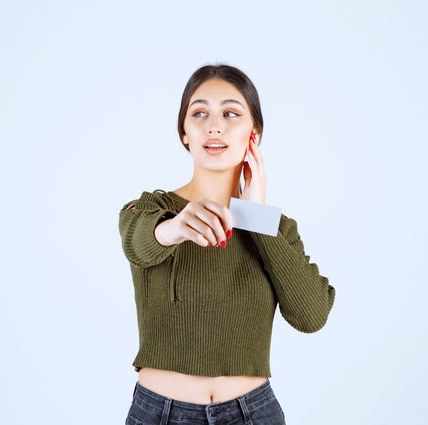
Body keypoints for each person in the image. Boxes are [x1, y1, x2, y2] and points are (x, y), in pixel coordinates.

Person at [118, 63, 336, 424]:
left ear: (255, 133)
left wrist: (255, 218)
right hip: (161, 413)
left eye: (231, 113)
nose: (214, 125)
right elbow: (139, 242)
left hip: (252, 413)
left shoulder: (274, 229)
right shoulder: (149, 211)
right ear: (185, 133)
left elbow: (311, 316)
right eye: (199, 113)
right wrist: (174, 228)